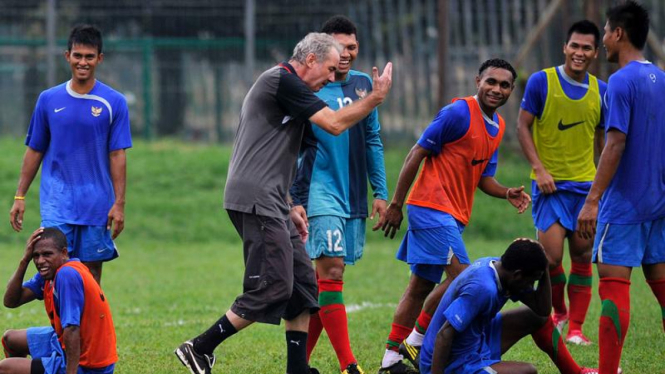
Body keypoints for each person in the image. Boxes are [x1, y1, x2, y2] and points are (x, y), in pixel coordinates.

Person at [174, 32, 392, 374]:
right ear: (310, 61)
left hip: (274, 200)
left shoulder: (295, 93)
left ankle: (297, 369)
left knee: (304, 284)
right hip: (255, 199)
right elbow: (335, 124)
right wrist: (374, 98)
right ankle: (199, 347)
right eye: (331, 70)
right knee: (274, 285)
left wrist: (291, 203)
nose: (333, 78)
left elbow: (280, 155)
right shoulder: (282, 81)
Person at [377, 59, 531, 374]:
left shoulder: (498, 127)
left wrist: (506, 193)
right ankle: (418, 340)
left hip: (452, 216)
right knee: (466, 277)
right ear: (478, 81)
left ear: (511, 90)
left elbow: (483, 177)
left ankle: (390, 360)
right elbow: (416, 152)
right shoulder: (458, 112)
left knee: (420, 286)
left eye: (504, 85)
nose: (496, 89)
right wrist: (395, 203)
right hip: (431, 207)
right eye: (491, 81)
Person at [289, 16, 388, 374]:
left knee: (323, 282)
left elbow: (373, 139)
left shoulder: (365, 84)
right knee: (331, 271)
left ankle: (300, 365)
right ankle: (350, 366)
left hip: (354, 194)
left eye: (352, 48)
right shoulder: (309, 86)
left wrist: (381, 191)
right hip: (318, 190)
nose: (345, 55)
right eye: (339, 48)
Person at [577, 2, 665, 373]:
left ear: (618, 34)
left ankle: (608, 372)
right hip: (658, 205)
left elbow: (615, 144)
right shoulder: (661, 79)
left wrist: (592, 201)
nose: (603, 45)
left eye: (606, 34)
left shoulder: (620, 81)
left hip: (625, 207)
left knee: (613, 289)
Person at [8, 25, 132, 285]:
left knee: (90, 275)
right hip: (57, 203)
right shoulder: (48, 99)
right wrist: (20, 196)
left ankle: (84, 327)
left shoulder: (114, 102)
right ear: (67, 56)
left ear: (100, 58)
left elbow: (117, 155)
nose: (82, 62)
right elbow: (34, 150)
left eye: (89, 56)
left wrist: (118, 204)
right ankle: (63, 326)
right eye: (78, 55)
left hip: (96, 205)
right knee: (53, 269)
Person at [516, 20, 607, 345]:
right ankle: (559, 311)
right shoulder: (542, 81)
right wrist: (539, 169)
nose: (579, 53)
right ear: (565, 47)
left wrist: (601, 187)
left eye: (586, 48)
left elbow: (604, 144)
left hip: (585, 190)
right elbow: (522, 127)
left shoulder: (601, 91)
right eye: (574, 46)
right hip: (549, 189)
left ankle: (576, 329)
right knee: (551, 258)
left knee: (582, 256)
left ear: (595, 52)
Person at [420, 238, 603, 374]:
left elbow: (542, 309)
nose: (531, 286)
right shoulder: (483, 288)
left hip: (476, 342)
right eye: (532, 281)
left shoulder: (503, 270)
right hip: (451, 363)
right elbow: (444, 334)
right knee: (527, 371)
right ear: (518, 275)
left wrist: (544, 266)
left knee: (535, 318)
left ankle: (575, 372)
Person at [0, 227, 117, 374]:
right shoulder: (48, 274)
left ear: (64, 253)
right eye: (36, 255)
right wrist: (24, 260)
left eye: (47, 254)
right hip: (63, 342)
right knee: (10, 339)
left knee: (4, 368)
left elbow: (72, 328)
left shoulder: (67, 274)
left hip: (88, 363)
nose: (40, 261)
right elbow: (10, 301)